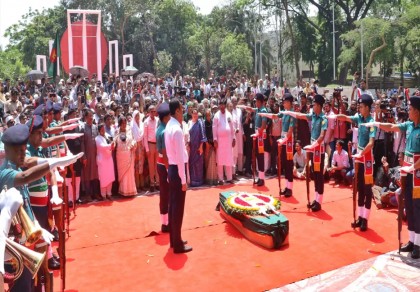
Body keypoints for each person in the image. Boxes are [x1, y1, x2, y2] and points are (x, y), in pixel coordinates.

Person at [0, 124, 81, 291]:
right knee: (22, 288)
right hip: (13, 247)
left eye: (24, 150)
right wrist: (55, 163)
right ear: (8, 152)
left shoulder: (16, 164)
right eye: (19, 151)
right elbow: (25, 176)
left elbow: (26, 204)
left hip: (25, 241)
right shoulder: (6, 172)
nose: (23, 154)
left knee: (30, 284)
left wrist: (36, 227)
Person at [365, 96, 420, 258]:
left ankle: (418, 243)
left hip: (417, 173)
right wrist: (377, 124)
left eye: (410, 109)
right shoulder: (409, 125)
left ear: (417, 112)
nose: (408, 111)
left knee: (418, 207)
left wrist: (413, 167)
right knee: (408, 205)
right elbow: (392, 126)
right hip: (407, 171)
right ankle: (411, 240)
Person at [332, 94, 376, 231]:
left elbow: (371, 143)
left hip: (367, 159)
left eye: (361, 107)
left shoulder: (371, 122)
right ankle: (360, 217)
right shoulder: (359, 118)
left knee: (367, 189)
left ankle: (365, 220)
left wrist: (361, 154)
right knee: (359, 188)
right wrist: (335, 116)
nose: (359, 108)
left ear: (368, 108)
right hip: (358, 157)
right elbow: (346, 117)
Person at [282, 94, 327, 211]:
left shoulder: (323, 119)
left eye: (315, 105)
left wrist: (312, 146)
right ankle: (315, 199)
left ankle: (319, 201)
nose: (313, 107)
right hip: (312, 149)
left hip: (318, 150)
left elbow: (322, 137)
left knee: (319, 175)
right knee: (313, 173)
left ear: (320, 106)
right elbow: (301, 116)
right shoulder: (313, 116)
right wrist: (290, 113)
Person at [165, 98, 192, 253]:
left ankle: (175, 240)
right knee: (177, 209)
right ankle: (177, 243)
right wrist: (183, 180)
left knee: (173, 206)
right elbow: (181, 158)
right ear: (176, 111)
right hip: (177, 170)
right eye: (182, 110)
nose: (183, 113)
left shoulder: (170, 126)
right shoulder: (177, 129)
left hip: (173, 169)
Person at [259, 93, 296, 196]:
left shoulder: (292, 113)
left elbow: (290, 129)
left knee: (288, 165)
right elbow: (275, 116)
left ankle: (290, 188)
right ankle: (287, 186)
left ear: (289, 102)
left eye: (285, 102)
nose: (283, 104)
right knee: (284, 163)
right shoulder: (283, 112)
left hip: (288, 141)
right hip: (283, 139)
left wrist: (283, 140)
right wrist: (265, 115)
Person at [212, 98, 235, 184]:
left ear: (225, 105)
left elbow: (232, 127)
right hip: (220, 141)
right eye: (220, 104)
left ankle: (229, 178)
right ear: (219, 105)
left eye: (223, 104)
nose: (222, 106)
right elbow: (214, 128)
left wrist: (234, 138)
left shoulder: (229, 114)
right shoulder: (216, 115)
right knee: (220, 160)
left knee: (228, 159)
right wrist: (215, 139)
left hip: (228, 140)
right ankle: (220, 179)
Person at [156, 103, 171, 233]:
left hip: (159, 163)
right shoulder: (165, 131)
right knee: (168, 194)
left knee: (163, 194)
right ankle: (167, 223)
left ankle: (164, 222)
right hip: (164, 164)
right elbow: (165, 153)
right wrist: (168, 169)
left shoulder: (159, 129)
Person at [81, 109, 101, 201]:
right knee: (87, 175)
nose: (91, 118)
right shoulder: (83, 128)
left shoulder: (95, 127)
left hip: (95, 155)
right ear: (85, 117)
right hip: (87, 155)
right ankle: (88, 194)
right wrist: (84, 157)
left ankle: (96, 193)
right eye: (89, 116)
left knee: (95, 174)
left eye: (92, 116)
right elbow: (82, 144)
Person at [114, 116, 137, 197]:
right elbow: (114, 142)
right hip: (120, 156)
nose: (124, 125)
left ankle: (130, 191)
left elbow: (134, 140)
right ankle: (122, 191)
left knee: (129, 173)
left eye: (125, 123)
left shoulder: (129, 130)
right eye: (122, 123)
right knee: (122, 174)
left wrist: (133, 144)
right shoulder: (117, 132)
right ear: (119, 124)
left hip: (129, 155)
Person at [95, 123, 115, 200]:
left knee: (110, 176)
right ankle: (103, 195)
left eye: (104, 129)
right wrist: (110, 146)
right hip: (102, 160)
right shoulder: (97, 138)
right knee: (103, 177)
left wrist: (113, 145)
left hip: (109, 158)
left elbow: (112, 142)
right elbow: (102, 147)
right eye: (102, 129)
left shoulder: (107, 135)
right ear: (99, 130)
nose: (103, 131)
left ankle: (109, 194)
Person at [188, 109, 207, 187]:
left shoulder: (200, 123)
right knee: (191, 164)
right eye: (194, 114)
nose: (195, 115)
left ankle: (199, 181)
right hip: (191, 147)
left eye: (196, 114)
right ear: (191, 114)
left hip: (198, 147)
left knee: (198, 164)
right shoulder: (189, 123)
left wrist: (201, 146)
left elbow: (203, 135)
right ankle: (192, 181)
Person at [143, 105, 159, 192]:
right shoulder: (146, 122)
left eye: (154, 111)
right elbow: (145, 136)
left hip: (157, 144)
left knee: (157, 165)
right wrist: (147, 149)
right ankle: (152, 183)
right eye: (151, 111)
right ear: (149, 112)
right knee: (151, 165)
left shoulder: (157, 120)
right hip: (150, 144)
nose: (153, 113)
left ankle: (158, 183)